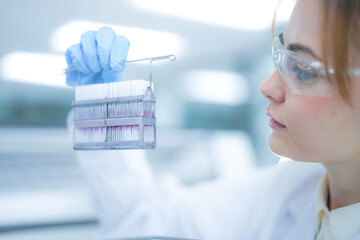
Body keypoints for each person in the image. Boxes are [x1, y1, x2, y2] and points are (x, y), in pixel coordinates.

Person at [65, 0, 360, 239]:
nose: (267, 87)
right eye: (284, 57)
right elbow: (145, 219)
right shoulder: (288, 191)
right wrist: (104, 105)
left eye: (304, 70)